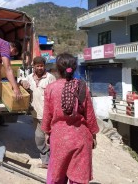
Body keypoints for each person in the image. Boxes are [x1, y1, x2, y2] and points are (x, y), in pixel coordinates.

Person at [41, 52, 99, 184]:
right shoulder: (83, 87)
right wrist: (94, 136)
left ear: (57, 69)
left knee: (56, 177)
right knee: (78, 179)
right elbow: (89, 115)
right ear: (74, 69)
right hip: (81, 139)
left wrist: (46, 133)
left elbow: (47, 116)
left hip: (59, 138)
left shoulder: (50, 88)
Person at [18, 56, 56, 169]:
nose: (40, 68)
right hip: (35, 113)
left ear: (44, 66)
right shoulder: (29, 77)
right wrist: (22, 82)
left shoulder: (50, 78)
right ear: (33, 66)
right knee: (42, 138)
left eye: (42, 66)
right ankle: (48, 161)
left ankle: (49, 161)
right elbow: (19, 80)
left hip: (47, 114)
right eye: (37, 66)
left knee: (41, 137)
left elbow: (55, 95)